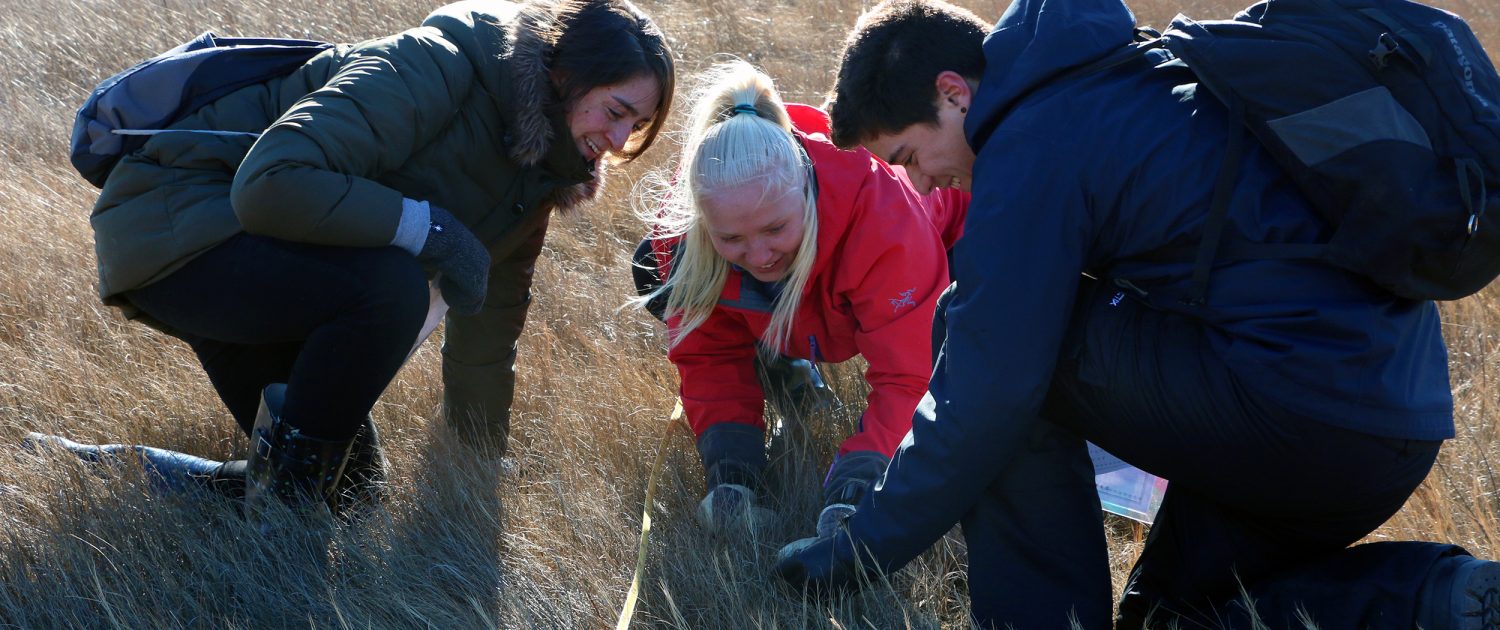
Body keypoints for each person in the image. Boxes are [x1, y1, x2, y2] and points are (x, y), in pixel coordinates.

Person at [774, 0, 1500, 628]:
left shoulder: (1031, 144)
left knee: (994, 338)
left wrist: (858, 549)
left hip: (1299, 418)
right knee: (1169, 621)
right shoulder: (1130, 70)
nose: (919, 182)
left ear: (954, 92)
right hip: (1388, 423)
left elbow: (985, 394)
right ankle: (1436, 601)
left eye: (908, 153)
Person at [33, 0, 674, 524]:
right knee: (389, 288)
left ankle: (106, 467)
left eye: (637, 126)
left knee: (352, 495)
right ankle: (284, 536)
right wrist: (427, 227)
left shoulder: (543, 171)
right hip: (180, 229)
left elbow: (492, 312)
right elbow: (271, 181)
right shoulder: (436, 66)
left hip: (274, 259)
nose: (618, 143)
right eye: (615, 112)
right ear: (563, 74)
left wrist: (481, 462)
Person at [631, 60, 963, 541]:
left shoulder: (882, 219)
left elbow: (908, 374)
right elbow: (709, 355)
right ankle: (793, 384)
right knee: (653, 269)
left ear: (805, 190)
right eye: (731, 239)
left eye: (775, 228)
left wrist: (855, 489)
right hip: (807, 309)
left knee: (961, 351)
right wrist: (731, 473)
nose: (759, 254)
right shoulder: (686, 232)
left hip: (950, 240)